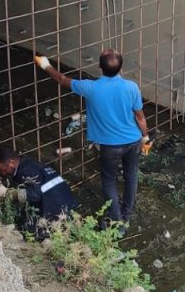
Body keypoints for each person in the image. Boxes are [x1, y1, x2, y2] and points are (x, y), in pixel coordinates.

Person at [35, 49, 150, 228]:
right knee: (131, 176)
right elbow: (140, 117)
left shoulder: (90, 87)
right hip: (133, 140)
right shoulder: (131, 87)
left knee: (109, 180)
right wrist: (145, 136)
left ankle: (117, 220)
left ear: (99, 67)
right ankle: (127, 213)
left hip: (110, 146)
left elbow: (62, 80)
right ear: (122, 68)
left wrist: (46, 65)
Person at [0, 147, 78, 239]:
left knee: (32, 231)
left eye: (2, 170)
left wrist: (7, 193)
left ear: (12, 163)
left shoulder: (25, 172)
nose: (3, 174)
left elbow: (35, 195)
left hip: (58, 210)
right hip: (69, 204)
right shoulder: (30, 163)